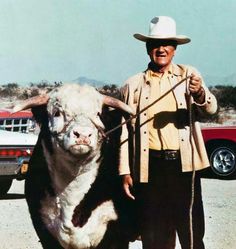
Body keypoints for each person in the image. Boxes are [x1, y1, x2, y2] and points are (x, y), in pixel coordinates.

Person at [119, 16, 217, 249]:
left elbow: (211, 109)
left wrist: (200, 93)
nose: (160, 49)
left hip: (184, 166)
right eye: (155, 44)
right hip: (149, 168)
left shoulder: (189, 75)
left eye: (166, 44)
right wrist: (125, 171)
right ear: (147, 49)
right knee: (154, 235)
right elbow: (124, 133)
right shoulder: (132, 85)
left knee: (192, 232)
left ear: (175, 49)